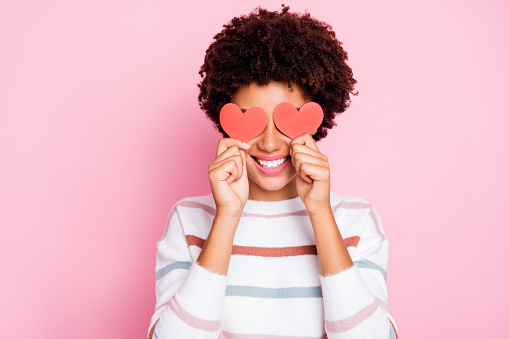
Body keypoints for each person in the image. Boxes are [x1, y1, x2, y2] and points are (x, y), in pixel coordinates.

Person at [148, 5, 398, 338]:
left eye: (286, 120)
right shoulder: (188, 220)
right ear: (225, 118)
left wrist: (320, 213)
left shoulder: (357, 220)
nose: (268, 143)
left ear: (315, 118)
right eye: (251, 119)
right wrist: (227, 216)